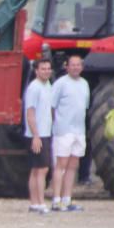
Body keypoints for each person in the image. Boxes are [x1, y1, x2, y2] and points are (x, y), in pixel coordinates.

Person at [50, 55, 90, 212]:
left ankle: (67, 199)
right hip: (64, 130)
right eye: (72, 65)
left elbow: (83, 107)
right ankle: (56, 200)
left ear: (82, 67)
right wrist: (57, 124)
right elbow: (52, 106)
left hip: (79, 130)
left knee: (73, 165)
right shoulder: (61, 83)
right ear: (67, 66)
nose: (75, 67)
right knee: (61, 165)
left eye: (78, 65)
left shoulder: (84, 84)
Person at [24, 58, 54, 213]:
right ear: (36, 71)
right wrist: (35, 136)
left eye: (48, 68)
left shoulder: (48, 86)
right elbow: (30, 113)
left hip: (45, 132)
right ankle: (39, 202)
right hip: (37, 133)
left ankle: (35, 202)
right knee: (41, 169)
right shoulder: (34, 88)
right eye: (43, 69)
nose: (46, 71)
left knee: (37, 169)